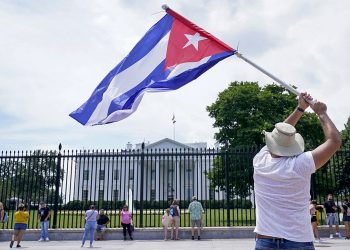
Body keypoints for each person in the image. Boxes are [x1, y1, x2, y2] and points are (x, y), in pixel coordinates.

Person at [253, 93, 341, 250]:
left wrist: (300, 108)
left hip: (265, 240)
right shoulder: (300, 164)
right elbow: (334, 142)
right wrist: (321, 113)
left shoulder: (260, 161)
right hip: (298, 241)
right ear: (292, 145)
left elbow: (280, 134)